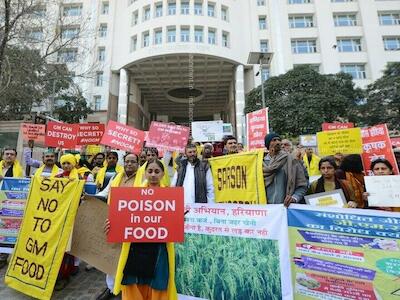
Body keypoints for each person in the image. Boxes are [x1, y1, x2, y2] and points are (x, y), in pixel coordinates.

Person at [106, 159, 177, 300]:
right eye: (150, 171)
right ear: (145, 173)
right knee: (133, 284)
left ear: (163, 174)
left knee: (158, 284)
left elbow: (172, 226)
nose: (153, 175)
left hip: (159, 249)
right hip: (135, 249)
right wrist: (113, 224)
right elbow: (124, 220)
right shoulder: (133, 195)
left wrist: (178, 222)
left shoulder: (170, 197)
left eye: (157, 171)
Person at [93, 153, 140, 300]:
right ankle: (111, 288)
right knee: (112, 255)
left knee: (131, 257)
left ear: (138, 164)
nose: (130, 164)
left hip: (135, 223)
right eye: (127, 161)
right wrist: (89, 197)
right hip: (115, 221)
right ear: (123, 162)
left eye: (133, 162)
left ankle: (129, 289)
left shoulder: (143, 179)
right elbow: (105, 193)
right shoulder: (116, 178)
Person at [262, 133, 308, 206]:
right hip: (265, 210)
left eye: (279, 140)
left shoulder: (292, 161)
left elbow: (302, 185)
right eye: (274, 140)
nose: (278, 142)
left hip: (286, 208)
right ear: (268, 144)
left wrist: (294, 197)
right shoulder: (260, 163)